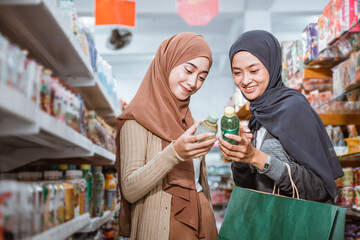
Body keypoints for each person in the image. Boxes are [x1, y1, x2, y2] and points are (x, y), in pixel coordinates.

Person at [218, 30, 344, 203]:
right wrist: (240, 158)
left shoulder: (293, 109)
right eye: (237, 72)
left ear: (272, 65)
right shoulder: (258, 117)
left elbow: (320, 188)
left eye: (254, 70)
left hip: (296, 226)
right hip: (266, 224)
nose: (245, 80)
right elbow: (249, 189)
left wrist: (257, 158)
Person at [115, 32, 218, 240]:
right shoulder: (136, 120)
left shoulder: (188, 121)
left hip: (202, 224)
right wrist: (174, 153)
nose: (193, 82)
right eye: (188, 70)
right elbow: (130, 190)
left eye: (201, 77)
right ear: (168, 62)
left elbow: (198, 182)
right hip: (160, 228)